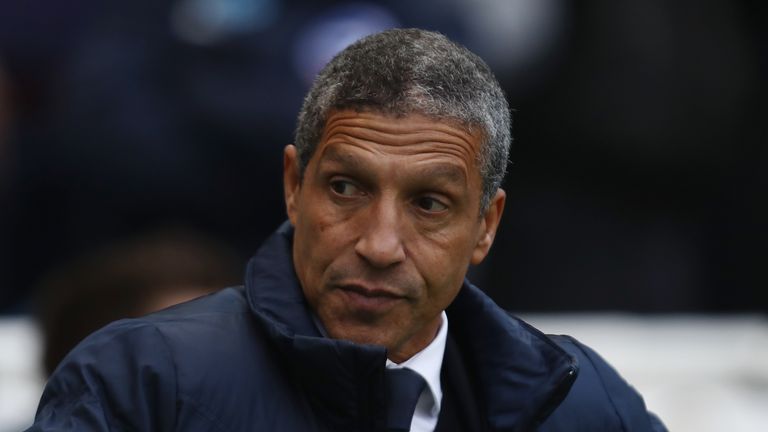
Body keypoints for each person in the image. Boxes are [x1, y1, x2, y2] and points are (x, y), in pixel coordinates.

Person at [27, 28, 666, 431]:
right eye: (346, 188)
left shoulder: (582, 405)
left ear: (486, 226)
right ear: (292, 187)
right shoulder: (139, 386)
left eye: (430, 204)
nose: (380, 244)